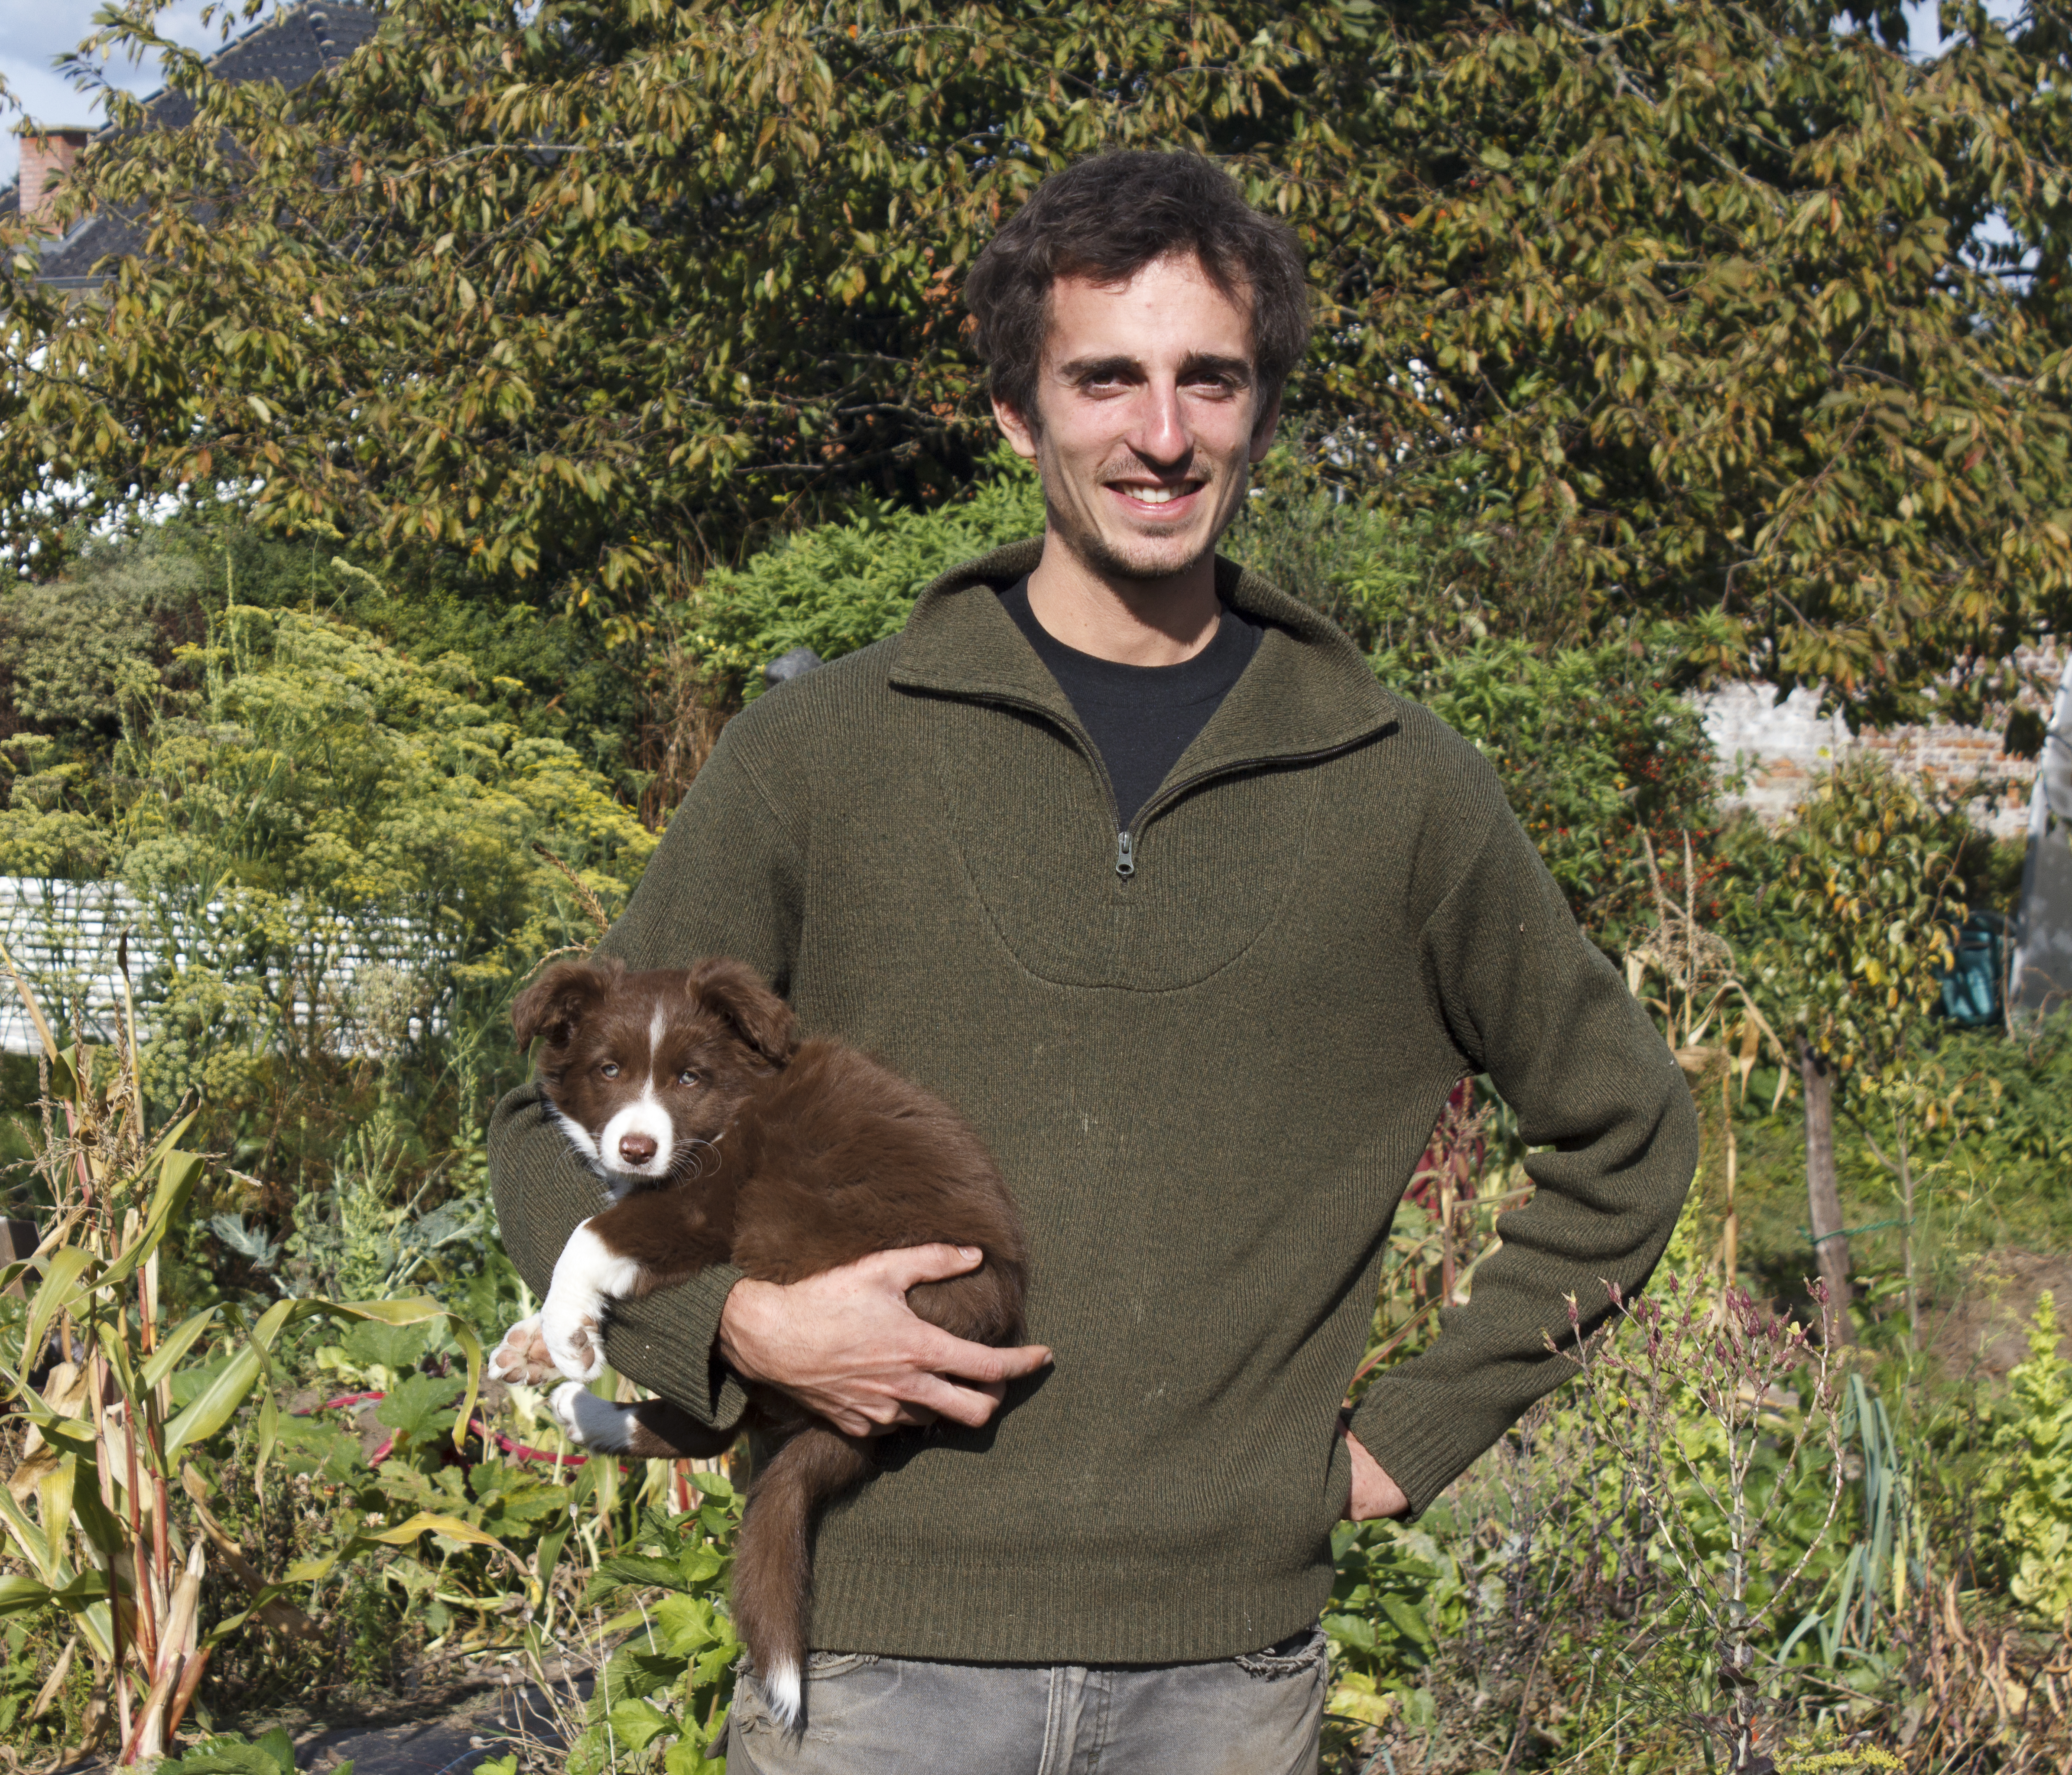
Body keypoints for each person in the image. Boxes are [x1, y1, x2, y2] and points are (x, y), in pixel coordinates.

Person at [488, 148, 1697, 1774]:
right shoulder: (819, 756)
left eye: (1212, 379)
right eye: (1106, 378)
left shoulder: (1401, 788)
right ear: (1015, 412)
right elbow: (541, 1128)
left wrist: (1403, 1444)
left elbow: (1627, 1135)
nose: (1163, 431)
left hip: (1224, 1679)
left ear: (1261, 411)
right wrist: (725, 1333)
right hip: (875, 1668)